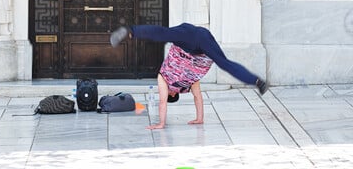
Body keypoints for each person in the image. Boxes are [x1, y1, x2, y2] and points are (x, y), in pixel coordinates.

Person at [110, 23, 268, 130]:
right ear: (174, 93)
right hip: (200, 36)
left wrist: (161, 124)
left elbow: (166, 102)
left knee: (166, 34)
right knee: (224, 63)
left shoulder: (177, 80)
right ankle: (256, 81)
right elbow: (196, 98)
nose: (166, 93)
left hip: (194, 44)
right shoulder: (185, 80)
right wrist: (199, 119)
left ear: (174, 94)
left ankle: (132, 31)